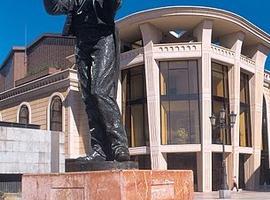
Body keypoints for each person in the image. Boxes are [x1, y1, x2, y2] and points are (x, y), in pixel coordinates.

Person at [43, 0, 130, 162]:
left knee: (100, 91)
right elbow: (53, 8)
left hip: (103, 40)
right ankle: (99, 150)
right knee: (88, 97)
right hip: (82, 44)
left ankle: (119, 144)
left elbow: (115, 4)